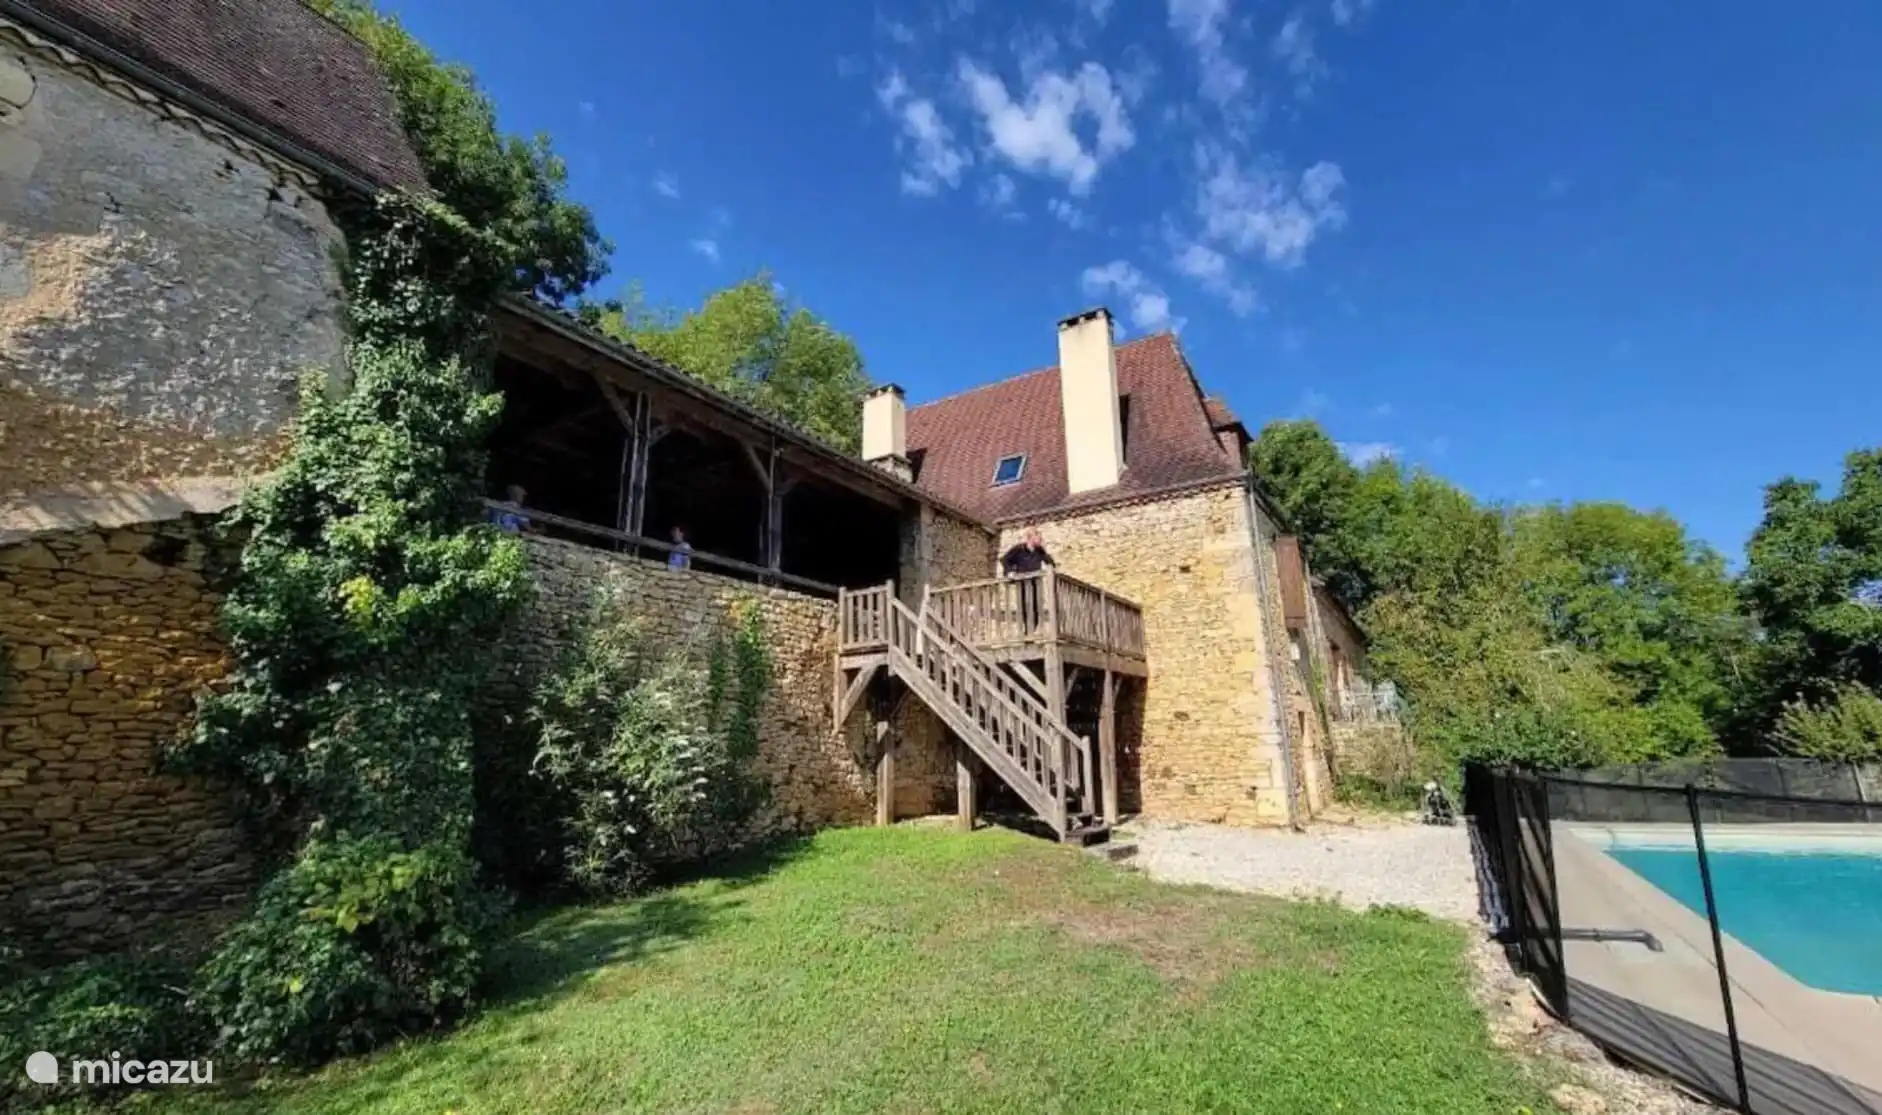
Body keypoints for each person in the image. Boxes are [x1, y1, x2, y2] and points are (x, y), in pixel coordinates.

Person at [1000, 529, 1055, 631]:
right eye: (1038, 537)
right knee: (1024, 605)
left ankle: (1032, 630)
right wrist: (1010, 571)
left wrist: (1050, 566)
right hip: (1023, 582)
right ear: (1031, 538)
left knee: (1036, 606)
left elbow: (1050, 562)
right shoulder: (1019, 549)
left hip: (1035, 582)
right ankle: (1026, 630)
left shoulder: (1040, 550)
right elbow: (1005, 559)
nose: (1041, 539)